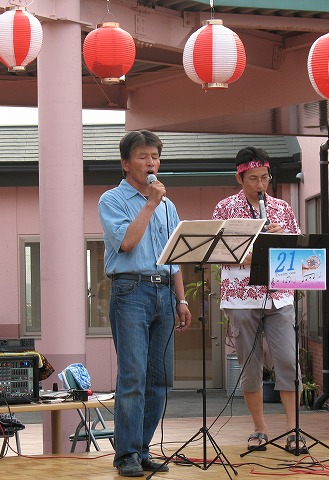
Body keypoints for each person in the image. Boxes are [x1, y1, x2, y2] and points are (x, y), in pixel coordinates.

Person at [98, 130, 192, 477]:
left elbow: (175, 256)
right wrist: (150, 203)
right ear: (126, 163)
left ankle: (142, 448)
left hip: (164, 292)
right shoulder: (112, 200)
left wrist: (181, 299)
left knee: (160, 379)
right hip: (130, 292)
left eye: (155, 156)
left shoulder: (169, 206)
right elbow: (127, 243)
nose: (151, 162)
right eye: (143, 156)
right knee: (134, 376)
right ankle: (126, 455)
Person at [212, 146, 304, 454]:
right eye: (253, 178)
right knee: (250, 366)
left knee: (288, 361)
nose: (261, 184)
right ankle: (259, 428)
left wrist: (283, 237)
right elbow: (215, 251)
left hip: (280, 296)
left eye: (265, 177)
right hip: (241, 297)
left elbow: (300, 252)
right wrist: (247, 255)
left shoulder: (282, 208)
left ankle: (293, 430)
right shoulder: (225, 208)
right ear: (239, 178)